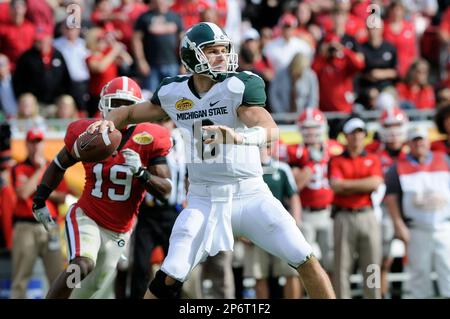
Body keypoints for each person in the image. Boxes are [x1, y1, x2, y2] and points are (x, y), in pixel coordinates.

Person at [88, 22, 335, 299]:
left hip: (251, 193)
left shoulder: (239, 85)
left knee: (305, 258)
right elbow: (129, 114)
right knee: (170, 274)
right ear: (192, 57)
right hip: (204, 199)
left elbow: (270, 130)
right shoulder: (173, 92)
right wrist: (106, 124)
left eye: (223, 49)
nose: (221, 56)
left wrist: (237, 138)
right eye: (212, 50)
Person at [31, 76, 173, 299]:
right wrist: (40, 200)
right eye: (115, 103)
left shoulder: (150, 137)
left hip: (120, 229)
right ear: (103, 104)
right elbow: (59, 164)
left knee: (90, 290)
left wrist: (141, 173)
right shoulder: (89, 133)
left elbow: (165, 191)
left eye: (126, 104)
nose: (121, 109)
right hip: (87, 215)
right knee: (81, 264)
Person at [384, 125, 450, 298]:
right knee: (419, 276)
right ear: (409, 144)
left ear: (428, 142)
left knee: (448, 272)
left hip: (444, 226)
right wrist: (399, 225)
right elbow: (391, 198)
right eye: (415, 141)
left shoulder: (444, 160)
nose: (419, 144)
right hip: (416, 229)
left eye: (422, 140)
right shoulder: (397, 168)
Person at [329, 117, 383, 299]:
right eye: (353, 133)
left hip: (367, 214)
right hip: (344, 216)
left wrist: (347, 185)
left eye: (360, 132)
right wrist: (363, 184)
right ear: (345, 136)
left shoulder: (373, 159)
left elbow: (375, 183)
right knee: (342, 267)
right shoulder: (336, 160)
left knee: (372, 266)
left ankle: (372, 296)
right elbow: (337, 186)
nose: (357, 136)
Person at [10, 128, 67, 298]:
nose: (36, 146)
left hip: (50, 226)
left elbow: (63, 197)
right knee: (20, 278)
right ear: (27, 144)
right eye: (32, 142)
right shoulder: (19, 168)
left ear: (44, 144)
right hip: (26, 225)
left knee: (58, 278)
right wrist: (40, 170)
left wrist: (40, 190)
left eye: (39, 142)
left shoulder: (55, 167)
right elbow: (22, 193)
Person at [366, 107, 409, 298]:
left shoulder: (414, 149)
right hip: (382, 211)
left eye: (397, 125)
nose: (393, 131)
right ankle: (377, 294)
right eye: (388, 126)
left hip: (411, 209)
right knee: (378, 259)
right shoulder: (372, 152)